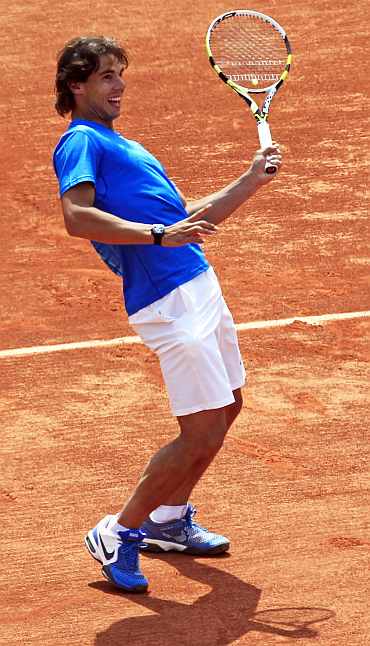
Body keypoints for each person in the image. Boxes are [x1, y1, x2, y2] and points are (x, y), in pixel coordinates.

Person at [53, 35, 282, 594]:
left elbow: (190, 218)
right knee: (200, 431)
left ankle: (167, 520)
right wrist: (158, 235)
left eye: (119, 74)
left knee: (227, 407)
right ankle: (119, 530)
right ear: (76, 86)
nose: (118, 85)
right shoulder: (81, 142)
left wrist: (250, 179)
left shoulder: (122, 144)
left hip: (198, 283)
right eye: (105, 76)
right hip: (167, 299)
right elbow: (76, 218)